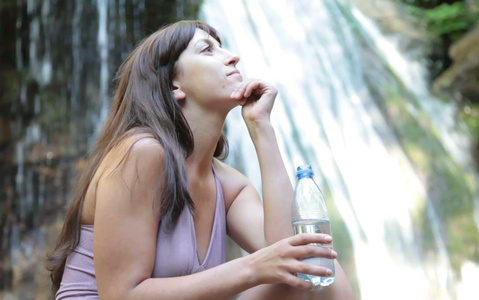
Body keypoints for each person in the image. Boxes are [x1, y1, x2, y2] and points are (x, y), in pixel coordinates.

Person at [48, 20, 355, 299]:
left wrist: (262, 129)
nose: (232, 56)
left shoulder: (227, 183)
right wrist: (252, 268)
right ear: (173, 85)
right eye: (207, 50)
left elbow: (294, 257)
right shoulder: (140, 152)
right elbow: (121, 295)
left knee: (319, 266)